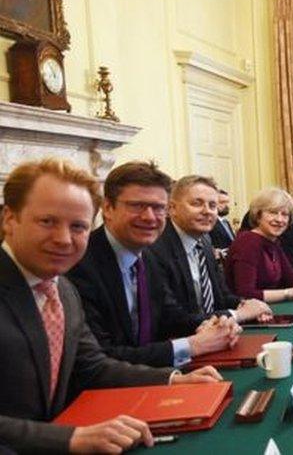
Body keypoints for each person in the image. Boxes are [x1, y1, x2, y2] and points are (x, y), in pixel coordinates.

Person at [0, 159, 221, 453]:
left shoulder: (62, 289)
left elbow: (92, 365)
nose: (64, 239)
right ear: (8, 219)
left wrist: (172, 380)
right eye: (47, 222)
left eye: (78, 226)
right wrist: (70, 439)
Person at [68, 161, 241, 368]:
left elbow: (170, 316)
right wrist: (192, 345)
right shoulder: (80, 262)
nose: (149, 217)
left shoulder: (147, 255)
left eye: (158, 208)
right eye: (137, 206)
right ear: (107, 208)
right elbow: (102, 356)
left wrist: (214, 326)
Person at [147, 175, 272, 323]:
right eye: (197, 203)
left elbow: (222, 295)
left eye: (212, 206)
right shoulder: (155, 247)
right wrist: (238, 315)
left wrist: (245, 304)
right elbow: (171, 318)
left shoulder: (205, 240)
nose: (207, 211)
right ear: (172, 208)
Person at [224, 188, 293, 302]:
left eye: (285, 214)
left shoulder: (273, 241)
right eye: (273, 212)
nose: (280, 219)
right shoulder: (247, 242)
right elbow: (246, 294)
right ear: (258, 215)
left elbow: (292, 278)